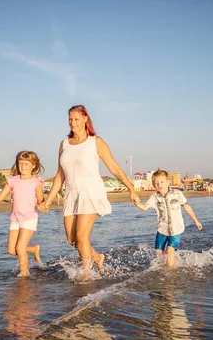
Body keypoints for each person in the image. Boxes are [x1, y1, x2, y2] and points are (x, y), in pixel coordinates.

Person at [40, 104, 140, 276]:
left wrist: (131, 188)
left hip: (90, 192)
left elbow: (114, 168)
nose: (72, 122)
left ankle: (86, 274)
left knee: (81, 236)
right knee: (72, 240)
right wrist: (48, 201)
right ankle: (97, 257)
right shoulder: (64, 144)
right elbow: (59, 176)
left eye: (76, 119)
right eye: (70, 119)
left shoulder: (96, 141)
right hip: (71, 194)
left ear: (85, 118)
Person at [0, 151, 45, 277]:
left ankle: (24, 275)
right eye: (20, 163)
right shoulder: (12, 180)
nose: (23, 166)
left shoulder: (36, 182)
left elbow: (41, 200)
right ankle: (34, 249)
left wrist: (43, 206)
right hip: (15, 219)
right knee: (11, 250)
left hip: (29, 218)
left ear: (34, 165)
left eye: (26, 164)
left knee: (20, 248)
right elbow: (0, 196)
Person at [134, 169, 203, 268]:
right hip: (162, 230)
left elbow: (187, 207)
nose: (159, 184)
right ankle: (164, 268)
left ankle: (171, 274)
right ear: (153, 184)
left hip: (176, 230)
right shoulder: (154, 197)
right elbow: (145, 208)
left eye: (162, 182)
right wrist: (137, 203)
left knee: (170, 251)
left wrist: (196, 221)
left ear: (168, 182)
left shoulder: (177, 194)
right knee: (159, 253)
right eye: (156, 183)